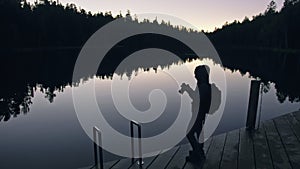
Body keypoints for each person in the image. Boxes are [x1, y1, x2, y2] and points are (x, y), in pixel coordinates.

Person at [179, 65, 212, 164]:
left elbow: (197, 99)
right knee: (198, 133)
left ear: (201, 75)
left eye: (196, 74)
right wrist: (187, 89)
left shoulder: (204, 87)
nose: (195, 76)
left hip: (198, 115)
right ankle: (198, 152)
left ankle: (198, 153)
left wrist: (188, 89)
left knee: (189, 134)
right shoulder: (203, 85)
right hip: (199, 114)